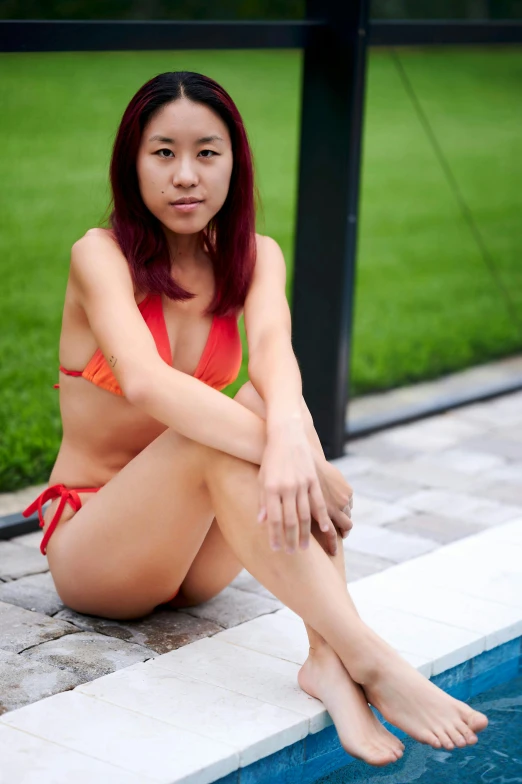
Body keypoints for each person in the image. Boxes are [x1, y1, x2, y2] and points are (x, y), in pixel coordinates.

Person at [23, 71, 487, 767]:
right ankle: (371, 658)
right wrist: (293, 456)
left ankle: (325, 661)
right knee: (219, 437)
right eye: (164, 153)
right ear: (132, 163)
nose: (186, 175)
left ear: (234, 163)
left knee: (273, 405)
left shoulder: (254, 256)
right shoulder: (99, 255)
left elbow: (276, 360)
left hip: (195, 561)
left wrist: (299, 447)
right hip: (98, 551)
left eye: (207, 153)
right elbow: (147, 384)